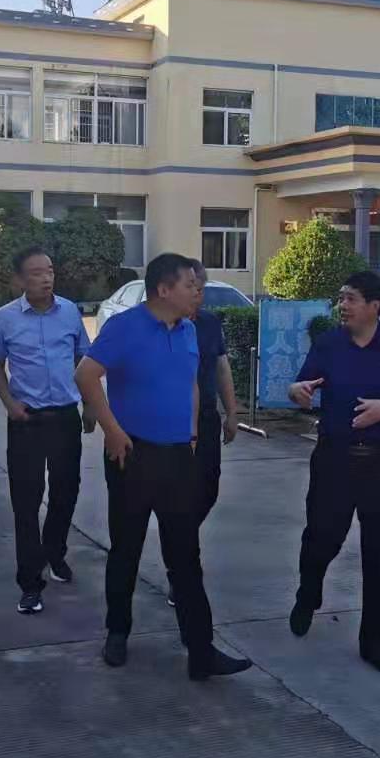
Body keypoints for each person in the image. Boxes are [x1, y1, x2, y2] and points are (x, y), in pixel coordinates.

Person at [75, 252, 252, 682]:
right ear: (164, 289)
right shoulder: (125, 327)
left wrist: (190, 432)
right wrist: (111, 430)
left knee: (185, 555)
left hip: (178, 457)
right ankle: (118, 632)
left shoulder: (189, 330)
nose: (198, 291)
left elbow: (191, 383)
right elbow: (86, 375)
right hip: (132, 454)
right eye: (190, 285)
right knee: (127, 549)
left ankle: (201, 650)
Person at [286, 270, 380, 677]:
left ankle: (375, 643)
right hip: (334, 460)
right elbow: (299, 385)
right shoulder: (329, 344)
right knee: (321, 538)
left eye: (350, 298)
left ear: (374, 306)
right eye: (342, 298)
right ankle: (308, 592)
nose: (342, 306)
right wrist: (299, 391)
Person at [0, 246, 92, 615]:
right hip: (26, 421)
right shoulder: (6, 318)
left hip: (65, 417)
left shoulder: (70, 312)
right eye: (36, 273)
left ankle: (55, 552)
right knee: (26, 501)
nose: (46, 278)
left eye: (49, 270)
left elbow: (82, 358)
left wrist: (90, 404)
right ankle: (30, 583)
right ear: (20, 279)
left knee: (66, 491)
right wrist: (9, 403)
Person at [163, 259, 239, 606]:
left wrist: (231, 412)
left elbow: (221, 366)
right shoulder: (163, 324)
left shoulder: (209, 323)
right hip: (172, 423)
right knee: (180, 498)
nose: (198, 293)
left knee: (208, 489)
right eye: (192, 287)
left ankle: (179, 538)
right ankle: (181, 573)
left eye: (201, 287)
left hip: (207, 418)